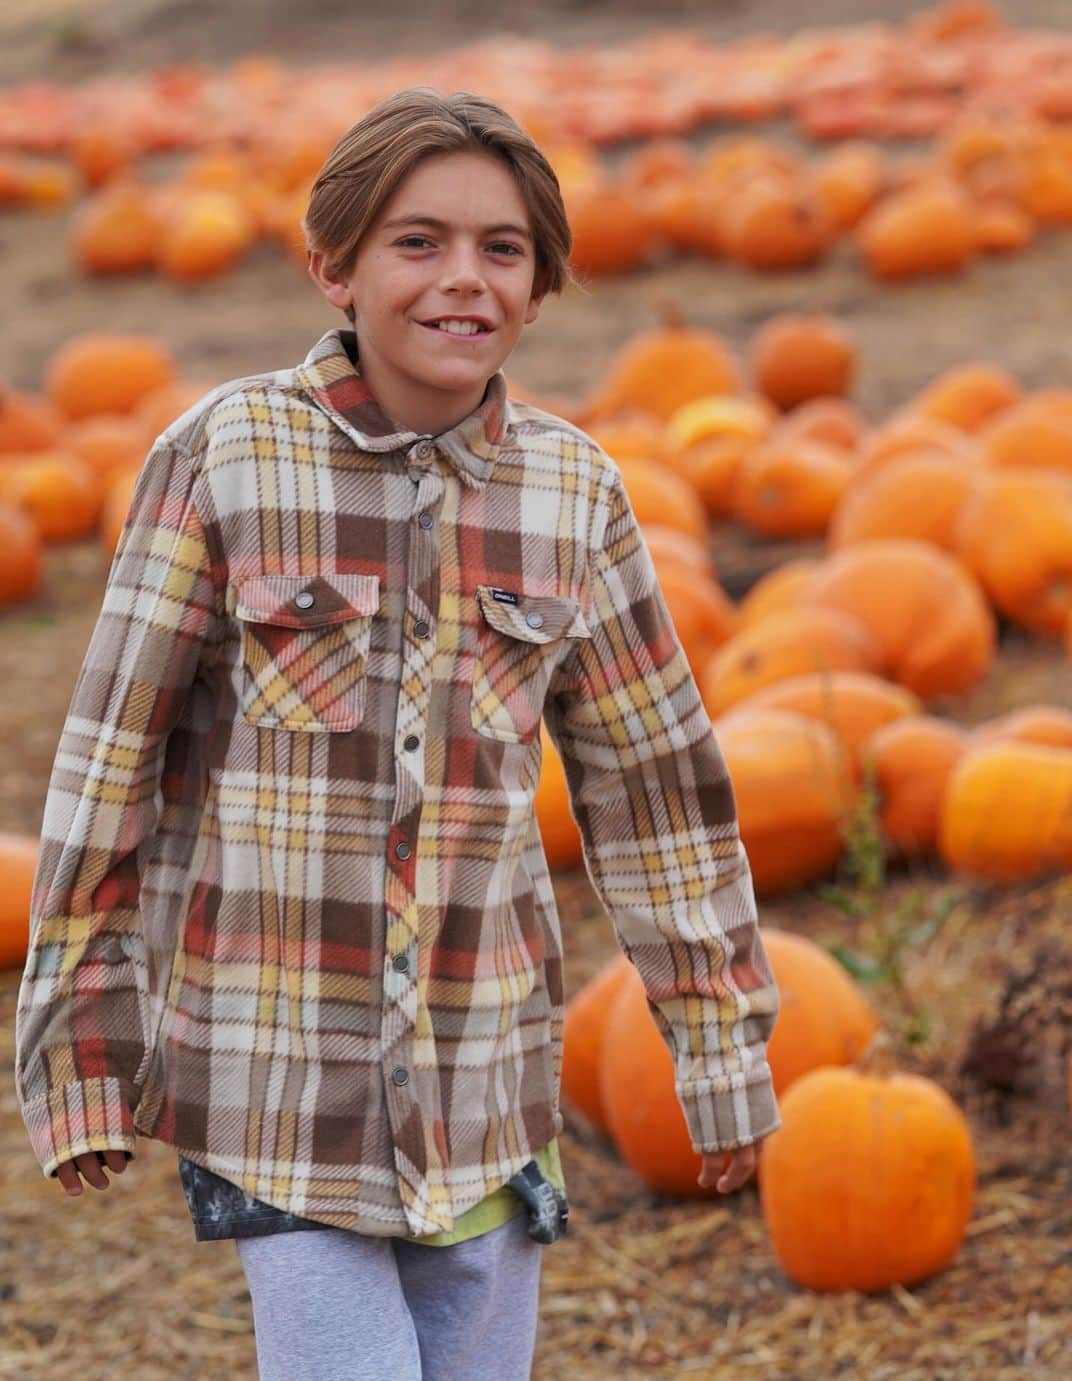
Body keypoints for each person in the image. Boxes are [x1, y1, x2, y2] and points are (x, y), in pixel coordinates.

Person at [14, 86, 782, 1381]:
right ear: (335, 266)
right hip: (279, 1080)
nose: (461, 279)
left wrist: (716, 1045)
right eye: (417, 242)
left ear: (540, 288)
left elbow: (655, 792)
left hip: (488, 1074)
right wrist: (85, 1048)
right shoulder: (226, 458)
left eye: (501, 249)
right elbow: (111, 763)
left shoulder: (574, 494)